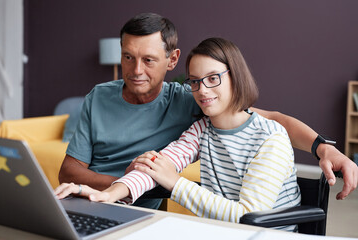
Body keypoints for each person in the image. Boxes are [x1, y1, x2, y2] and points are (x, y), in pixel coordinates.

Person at [57, 13, 357, 210]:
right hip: (113, 195)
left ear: (171, 60)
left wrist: (322, 147)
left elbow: (272, 119)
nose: (136, 71)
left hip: (151, 201)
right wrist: (115, 191)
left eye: (148, 60)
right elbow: (71, 171)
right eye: (128, 57)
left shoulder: (194, 102)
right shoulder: (201, 125)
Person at [56, 37, 301, 231]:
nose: (202, 90)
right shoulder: (202, 129)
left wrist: (174, 181)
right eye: (195, 81)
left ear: (235, 77)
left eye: (213, 78)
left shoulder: (271, 139)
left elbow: (247, 215)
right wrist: (107, 195)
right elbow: (156, 168)